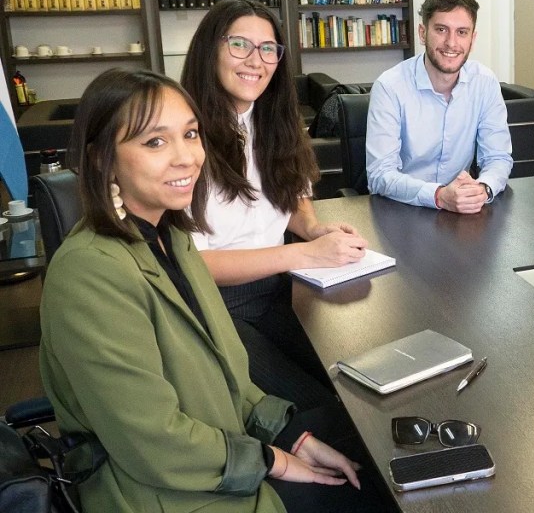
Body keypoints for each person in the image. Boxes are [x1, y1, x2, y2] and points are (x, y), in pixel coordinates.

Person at [39, 69, 383, 512]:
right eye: (155, 142)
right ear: (102, 158)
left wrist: (291, 437)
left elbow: (228, 376)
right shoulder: (89, 274)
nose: (186, 157)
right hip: (164, 491)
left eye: (190, 134)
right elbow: (153, 442)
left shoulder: (172, 237)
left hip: (221, 451)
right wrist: (271, 460)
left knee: (366, 452)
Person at [181, 0, 368, 409]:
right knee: (318, 411)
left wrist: (314, 228)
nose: (256, 60)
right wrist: (301, 252)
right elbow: (195, 265)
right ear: (209, 48)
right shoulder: (184, 137)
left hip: (279, 290)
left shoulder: (273, 119)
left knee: (356, 386)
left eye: (268, 49)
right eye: (239, 45)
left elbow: (295, 193)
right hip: (213, 307)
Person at [365, 0, 513, 213]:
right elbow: (380, 175)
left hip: (461, 211)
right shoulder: (390, 87)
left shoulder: (485, 83)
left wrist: (483, 188)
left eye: (462, 32)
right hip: (402, 209)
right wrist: (439, 196)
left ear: (473, 39)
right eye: (442, 30)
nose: (452, 43)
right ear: (423, 33)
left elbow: (498, 157)